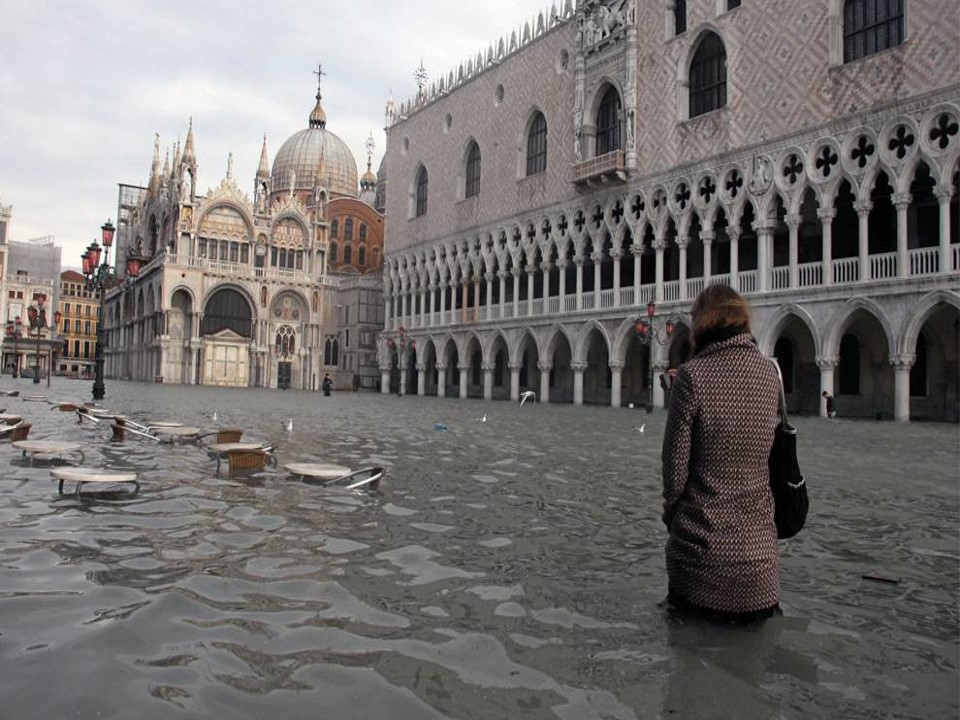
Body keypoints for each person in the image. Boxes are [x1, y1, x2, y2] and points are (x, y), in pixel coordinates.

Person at [661, 285, 782, 622]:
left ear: (702, 322)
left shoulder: (692, 377)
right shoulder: (770, 375)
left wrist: (673, 520)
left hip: (699, 564)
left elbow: (674, 472)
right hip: (761, 571)